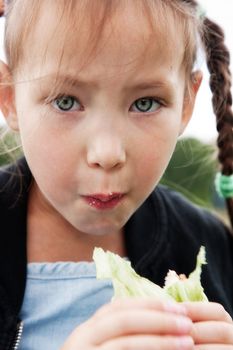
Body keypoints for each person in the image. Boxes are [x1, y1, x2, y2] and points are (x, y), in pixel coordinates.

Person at [0, 0, 233, 349]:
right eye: (66, 101)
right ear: (10, 99)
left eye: (145, 103)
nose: (107, 154)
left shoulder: (209, 245)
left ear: (186, 101)